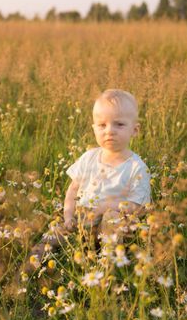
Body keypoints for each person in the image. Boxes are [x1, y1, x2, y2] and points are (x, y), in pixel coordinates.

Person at [63, 89, 151, 238]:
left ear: (135, 130)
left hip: (111, 222)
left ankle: (108, 257)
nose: (109, 131)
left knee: (111, 218)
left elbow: (139, 207)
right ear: (94, 129)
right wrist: (68, 216)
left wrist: (107, 206)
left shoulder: (136, 167)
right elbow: (73, 190)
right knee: (52, 235)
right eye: (102, 125)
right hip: (82, 219)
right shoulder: (88, 158)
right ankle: (34, 258)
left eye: (119, 124)